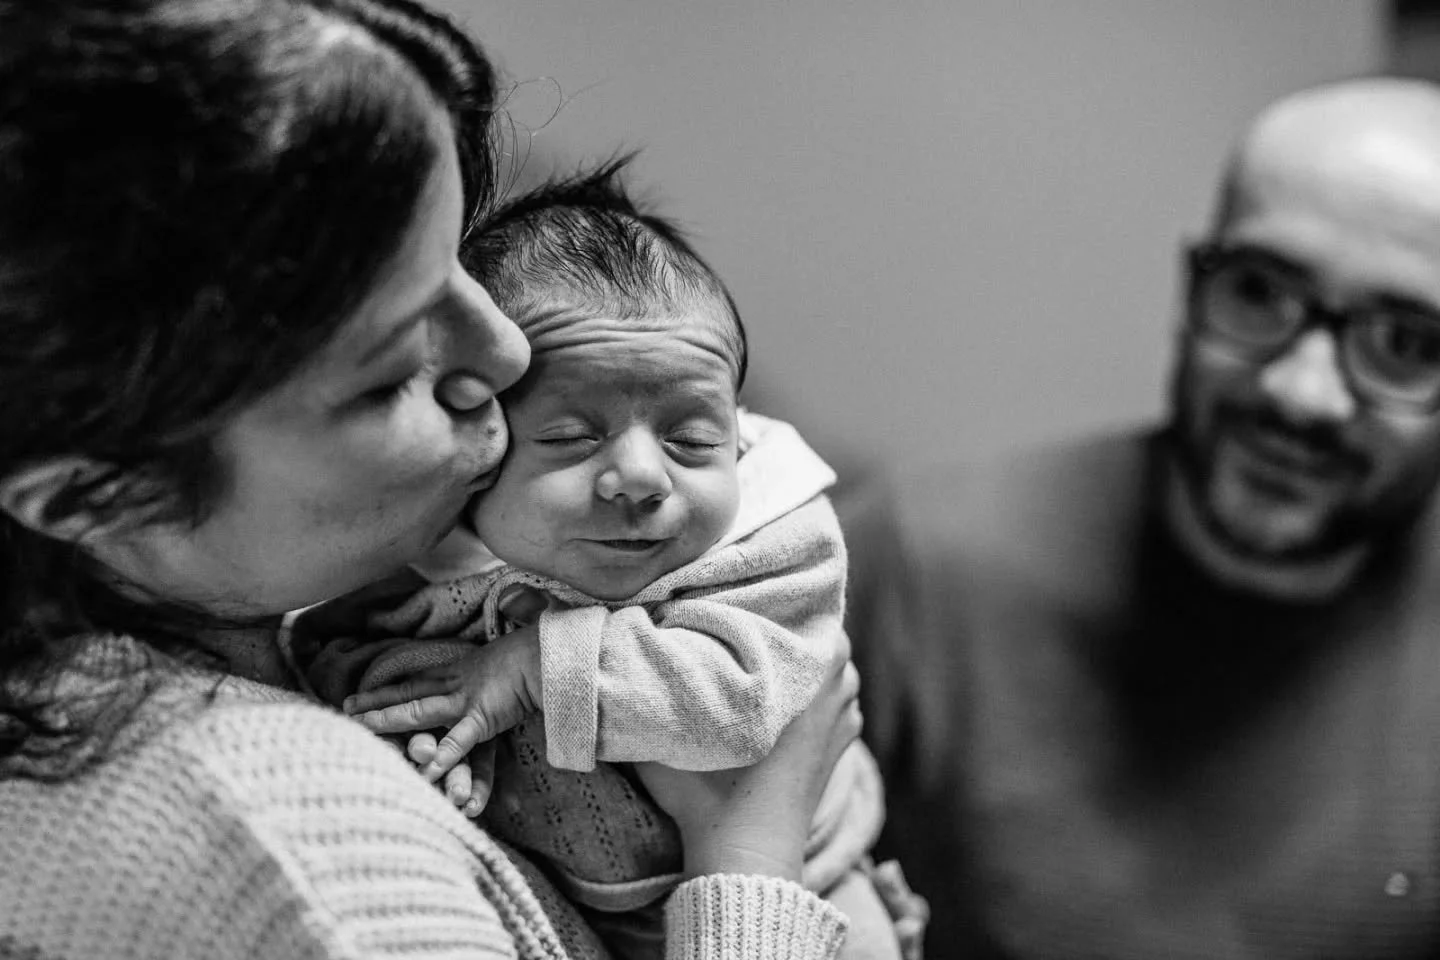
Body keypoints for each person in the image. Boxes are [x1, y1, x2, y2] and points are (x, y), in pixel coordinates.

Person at [0, 2, 863, 957]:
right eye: (391, 365)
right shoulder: (306, 859)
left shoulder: (270, 590)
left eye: (455, 257)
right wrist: (747, 858)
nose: (505, 352)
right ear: (101, 493)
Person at [841, 75, 1440, 960]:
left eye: (1405, 345)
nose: (1300, 392)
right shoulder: (912, 565)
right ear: (1191, 286)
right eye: (1257, 292)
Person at [287, 162, 915, 960]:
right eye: (569, 438)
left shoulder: (770, 537)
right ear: (481, 441)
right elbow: (357, 663)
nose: (644, 479)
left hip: (810, 880)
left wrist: (530, 671)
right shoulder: (421, 548)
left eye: (693, 440)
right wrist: (435, 743)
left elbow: (746, 696)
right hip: (586, 909)